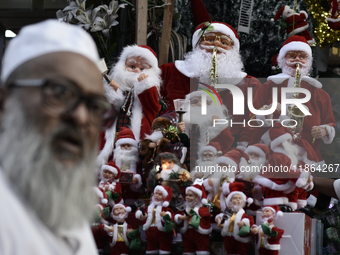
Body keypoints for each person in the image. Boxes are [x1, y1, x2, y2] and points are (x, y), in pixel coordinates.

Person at [0, 20, 110, 254]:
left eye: (94, 106)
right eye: (61, 92)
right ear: (4, 103)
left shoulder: (68, 211)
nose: (81, 117)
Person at [160, 0, 261, 146]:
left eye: (224, 42)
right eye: (210, 39)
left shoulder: (250, 84)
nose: (216, 45)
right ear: (197, 45)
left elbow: (255, 122)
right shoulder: (170, 72)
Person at [251, 35, 336, 163]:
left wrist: (325, 130)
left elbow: (330, 121)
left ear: (308, 62)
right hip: (271, 146)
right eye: (292, 56)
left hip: (306, 152)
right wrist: (266, 111)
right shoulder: (269, 86)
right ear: (283, 59)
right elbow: (252, 115)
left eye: (302, 57)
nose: (297, 60)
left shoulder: (320, 93)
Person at [97, 44, 162, 166]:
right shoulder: (118, 85)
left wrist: (145, 86)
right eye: (132, 66)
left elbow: (153, 107)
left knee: (133, 161)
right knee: (110, 157)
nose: (136, 70)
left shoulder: (149, 90)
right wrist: (113, 91)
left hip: (136, 134)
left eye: (142, 69)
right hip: (115, 129)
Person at [216, 182, 254, 255]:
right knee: (229, 252)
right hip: (228, 237)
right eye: (235, 198)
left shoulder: (243, 214)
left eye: (240, 198)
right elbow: (220, 217)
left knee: (241, 251)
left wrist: (244, 223)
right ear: (230, 201)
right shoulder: (228, 212)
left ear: (243, 201)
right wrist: (219, 222)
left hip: (240, 239)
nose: (237, 200)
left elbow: (250, 221)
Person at [136, 185, 174, 255]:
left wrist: (165, 216)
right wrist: (141, 215)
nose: (157, 196)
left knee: (164, 247)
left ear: (164, 197)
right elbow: (139, 212)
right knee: (151, 248)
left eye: (160, 194)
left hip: (162, 232)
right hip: (150, 231)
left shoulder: (165, 208)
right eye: (156, 193)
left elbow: (170, 215)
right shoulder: (149, 207)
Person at [174, 184, 211, 255]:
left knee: (202, 249)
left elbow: (204, 214)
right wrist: (179, 217)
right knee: (188, 249)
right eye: (187, 195)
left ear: (198, 197)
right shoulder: (185, 207)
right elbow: (179, 215)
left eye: (191, 196)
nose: (187, 197)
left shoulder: (202, 208)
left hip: (200, 233)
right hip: (187, 234)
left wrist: (190, 214)